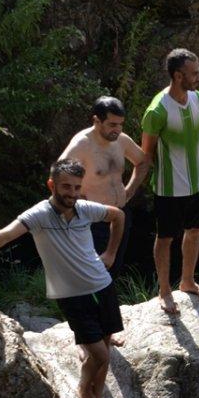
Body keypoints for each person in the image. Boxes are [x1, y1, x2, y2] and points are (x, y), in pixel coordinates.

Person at [0, 159, 124, 398]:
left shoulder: (85, 209)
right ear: (52, 185)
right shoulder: (39, 214)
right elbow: (5, 234)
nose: (72, 193)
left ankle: (98, 394)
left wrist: (110, 252)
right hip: (72, 295)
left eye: (76, 187)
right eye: (66, 187)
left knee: (105, 345)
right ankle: (85, 392)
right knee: (101, 354)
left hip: (102, 285)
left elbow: (118, 215)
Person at [141, 48, 199, 316]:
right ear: (178, 75)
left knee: (195, 231)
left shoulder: (198, 99)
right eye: (194, 73)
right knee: (166, 237)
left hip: (198, 183)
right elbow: (145, 154)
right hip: (168, 188)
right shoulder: (157, 110)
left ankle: (188, 281)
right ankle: (164, 291)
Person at [58, 95, 147, 277]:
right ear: (97, 121)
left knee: (113, 269)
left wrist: (130, 190)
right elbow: (58, 178)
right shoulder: (82, 144)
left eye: (121, 124)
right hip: (93, 220)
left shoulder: (121, 140)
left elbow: (142, 161)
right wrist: (77, 205)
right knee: (92, 273)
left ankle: (107, 305)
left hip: (120, 215)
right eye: (112, 125)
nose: (117, 129)